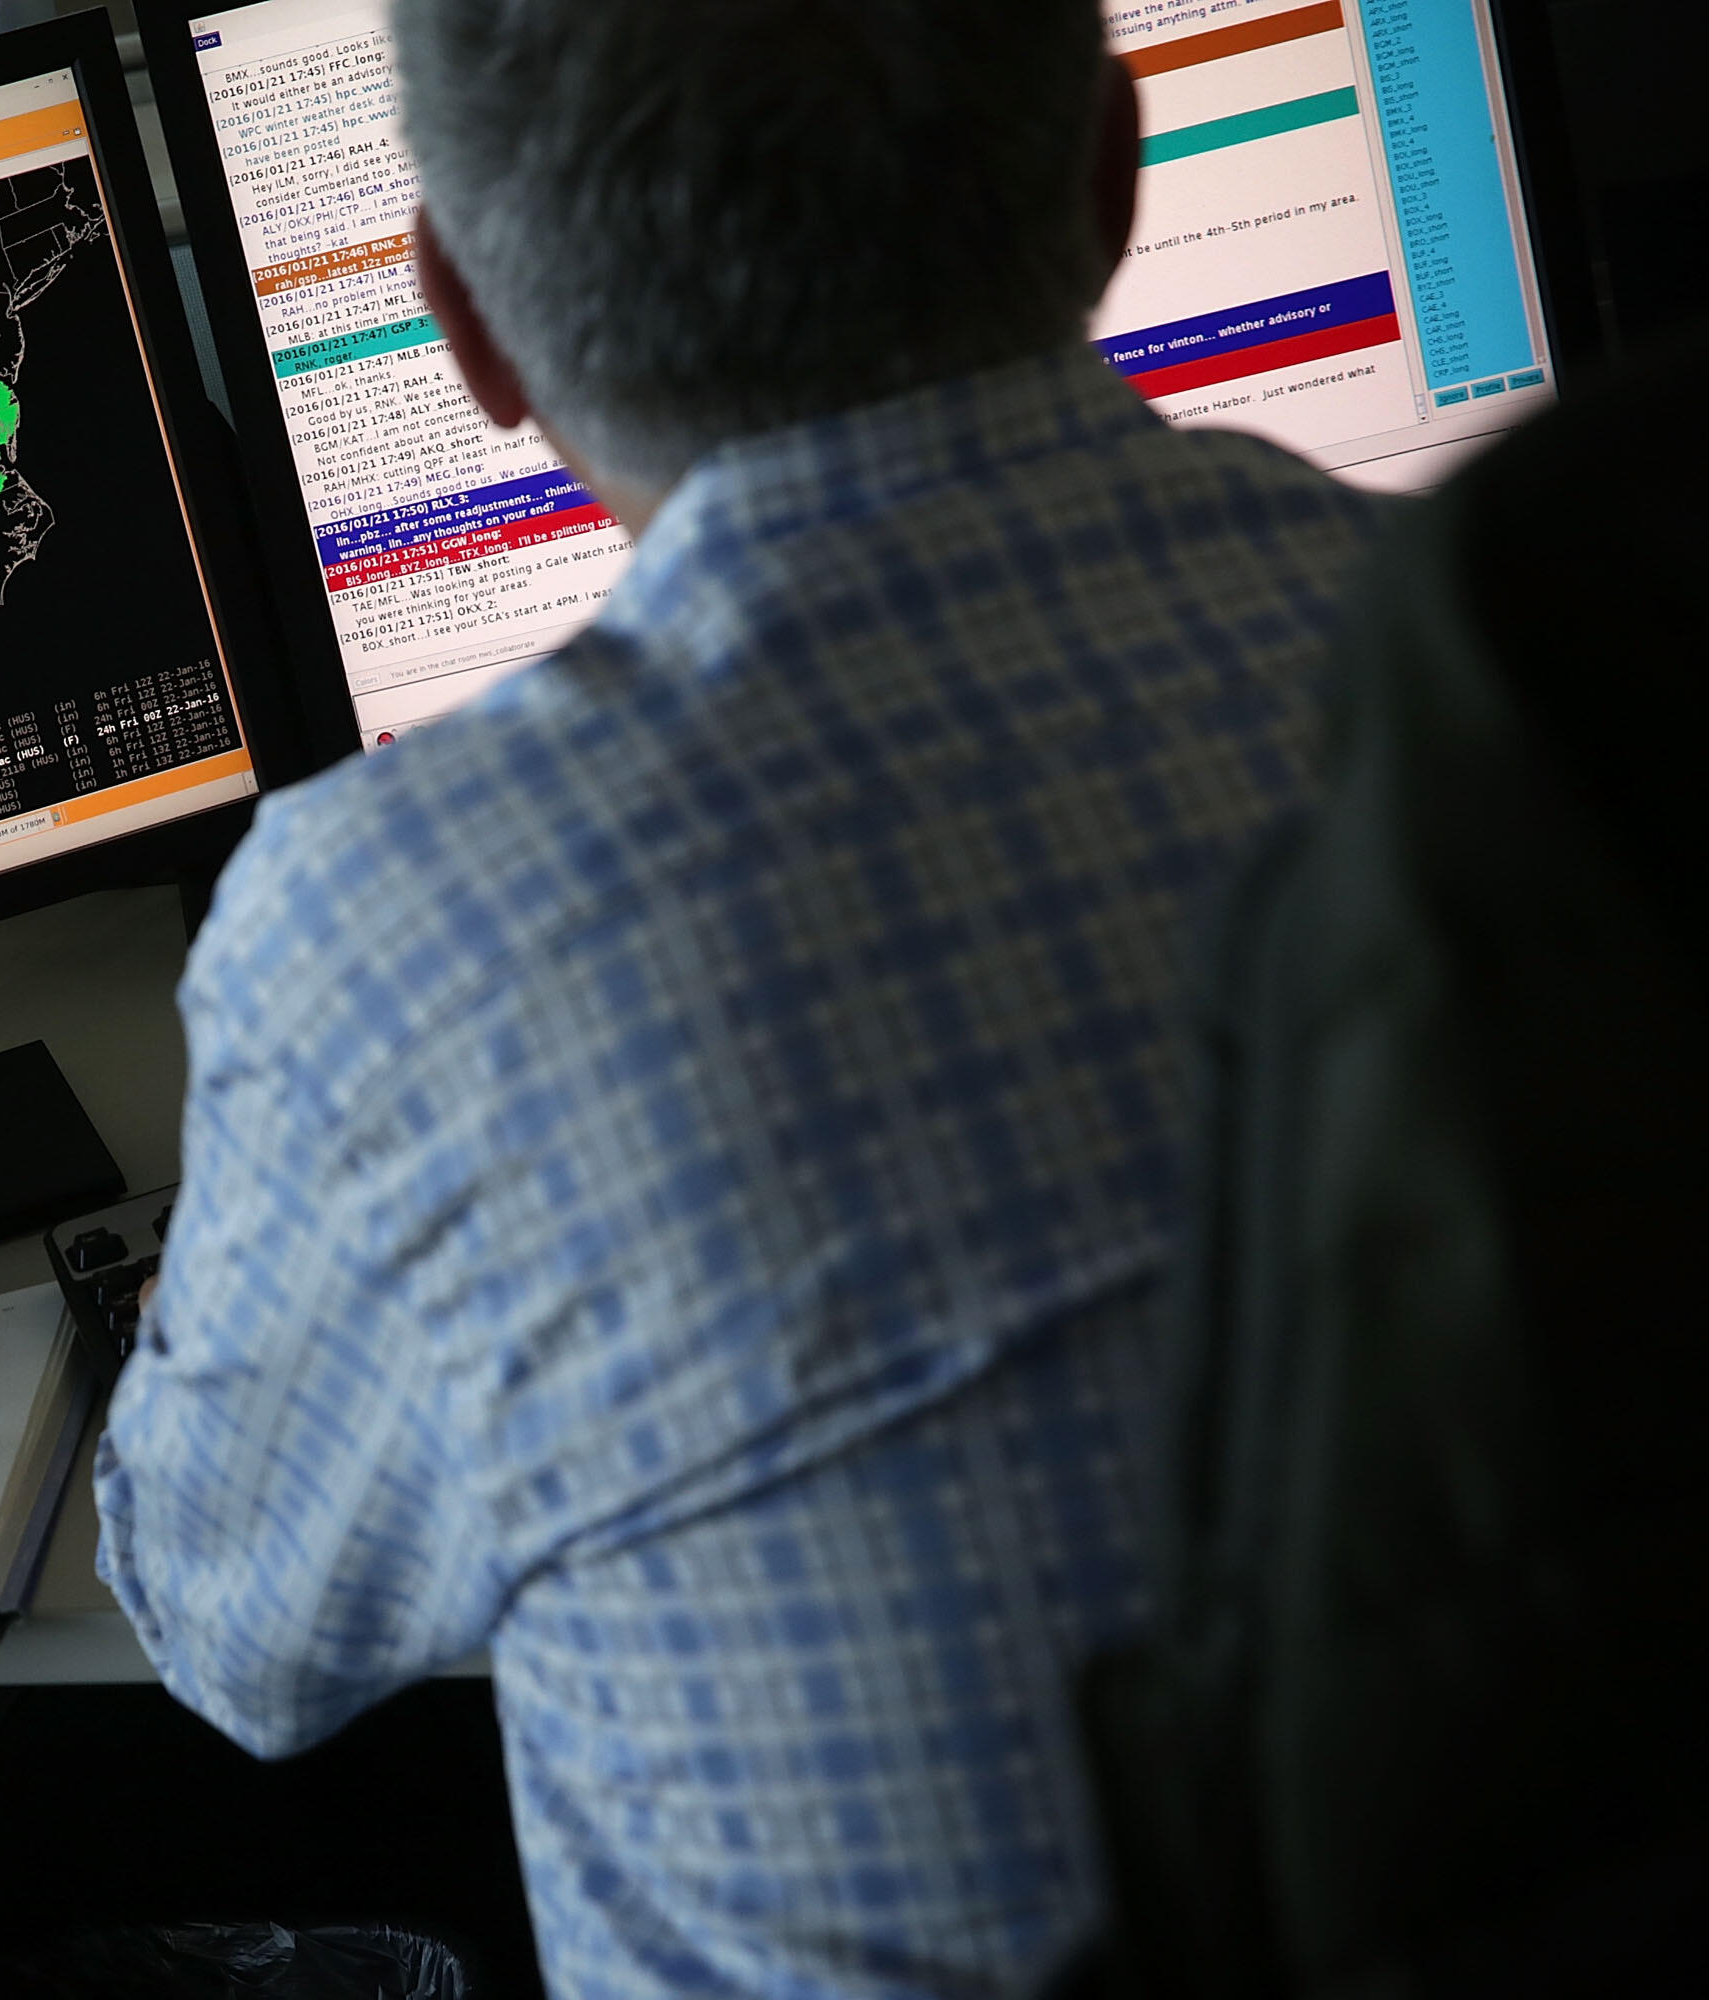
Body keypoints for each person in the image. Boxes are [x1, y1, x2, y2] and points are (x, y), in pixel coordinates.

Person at [96, 0, 1387, 1994]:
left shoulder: (391, 930)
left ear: (466, 325)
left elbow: (234, 1635)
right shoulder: (1528, 661)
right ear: (1117, 175)